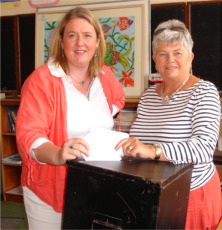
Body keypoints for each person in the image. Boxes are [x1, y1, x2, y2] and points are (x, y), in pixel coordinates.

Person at [16, 6, 125, 229]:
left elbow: (118, 100)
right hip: (50, 189)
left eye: (87, 35)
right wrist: (57, 153)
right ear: (62, 42)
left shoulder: (105, 75)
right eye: (72, 35)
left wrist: (98, 123)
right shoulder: (42, 80)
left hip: (96, 185)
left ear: (97, 42)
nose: (80, 43)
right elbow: (29, 134)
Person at [115, 19, 222, 229]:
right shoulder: (148, 97)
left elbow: (203, 149)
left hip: (190, 196)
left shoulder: (204, 91)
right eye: (163, 53)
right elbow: (140, 141)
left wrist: (151, 151)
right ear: (155, 59)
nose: (170, 59)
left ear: (191, 57)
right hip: (154, 193)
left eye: (177, 52)